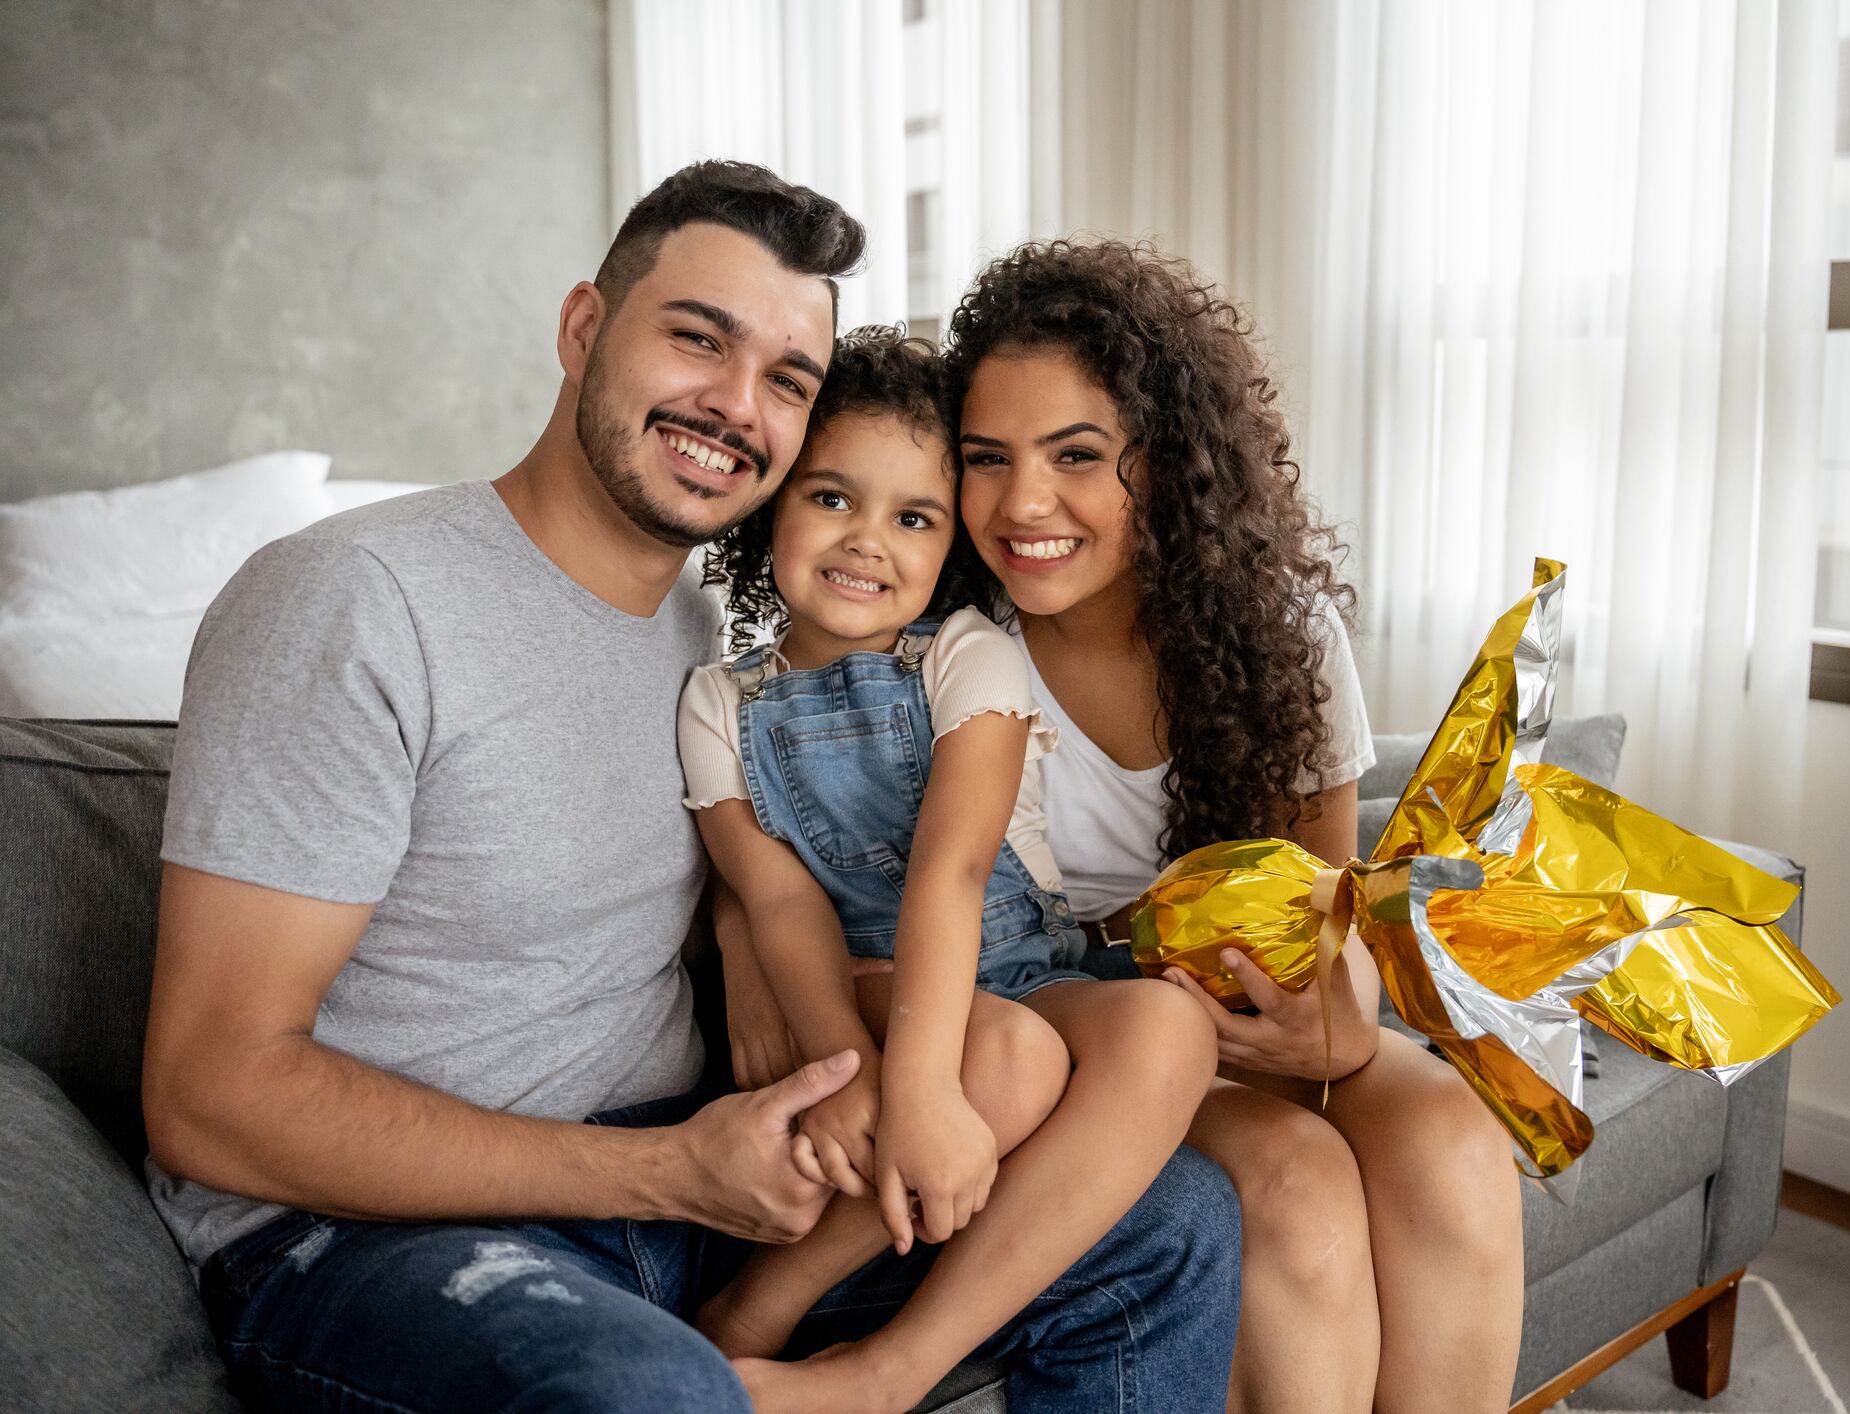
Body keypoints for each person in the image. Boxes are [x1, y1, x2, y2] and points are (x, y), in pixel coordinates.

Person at [139, 163, 1240, 1413]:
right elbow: (208, 1095)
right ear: (582, 328)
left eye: (786, 379)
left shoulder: (705, 643)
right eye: (697, 338)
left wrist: (747, 982)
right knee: (645, 1393)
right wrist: (668, 1171)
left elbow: (768, 869)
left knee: (1176, 1222)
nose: (734, 406)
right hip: (383, 1231)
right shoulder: (352, 600)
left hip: (692, 1180)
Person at [949, 240, 1526, 1413]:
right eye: (986, 459)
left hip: (1242, 1017)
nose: (1023, 504)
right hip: (1086, 1045)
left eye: (1076, 456)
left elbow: (1322, 899)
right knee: (1296, 1180)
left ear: (1164, 467)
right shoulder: (954, 652)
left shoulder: (1282, 633)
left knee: (1454, 1143)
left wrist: (1341, 1008)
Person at [679, 326, 1220, 1412]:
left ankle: (890, 1367)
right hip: (861, 977)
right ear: (772, 505)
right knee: (1014, 1062)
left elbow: (953, 873)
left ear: (946, 547)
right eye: (832, 498)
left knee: (1173, 1027)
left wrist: (922, 1087)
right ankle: (753, 1311)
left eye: (913, 517)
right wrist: (854, 1077)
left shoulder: (969, 652)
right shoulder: (716, 701)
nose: (867, 541)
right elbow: (779, 898)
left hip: (1007, 951)